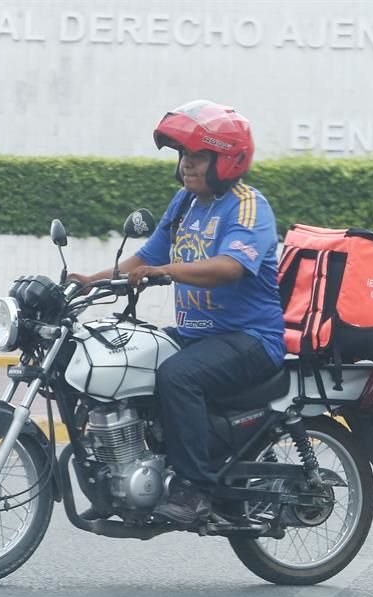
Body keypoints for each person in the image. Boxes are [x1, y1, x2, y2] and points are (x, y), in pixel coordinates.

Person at [71, 100, 285, 525]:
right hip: (196, 335)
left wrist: (164, 271)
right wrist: (91, 282)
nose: (187, 165)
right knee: (129, 360)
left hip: (250, 338)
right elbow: (146, 256)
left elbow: (230, 267)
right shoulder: (185, 203)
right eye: (183, 156)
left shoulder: (248, 205)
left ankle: (195, 489)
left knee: (178, 376)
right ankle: (122, 477)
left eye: (198, 156)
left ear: (226, 161)